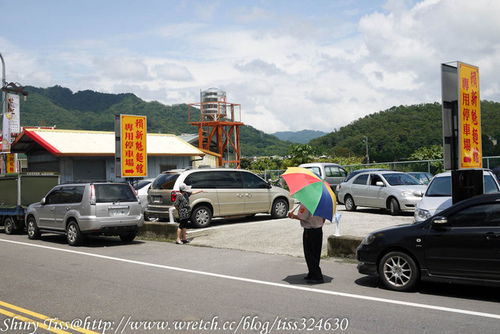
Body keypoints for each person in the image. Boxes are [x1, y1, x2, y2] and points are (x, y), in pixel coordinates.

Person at [288, 203, 326, 284]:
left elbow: (302, 217)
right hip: (318, 230)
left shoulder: (306, 204)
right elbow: (324, 217)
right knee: (316, 253)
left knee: (309, 254)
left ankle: (317, 275)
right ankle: (312, 272)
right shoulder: (321, 203)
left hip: (310, 230)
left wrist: (292, 216)